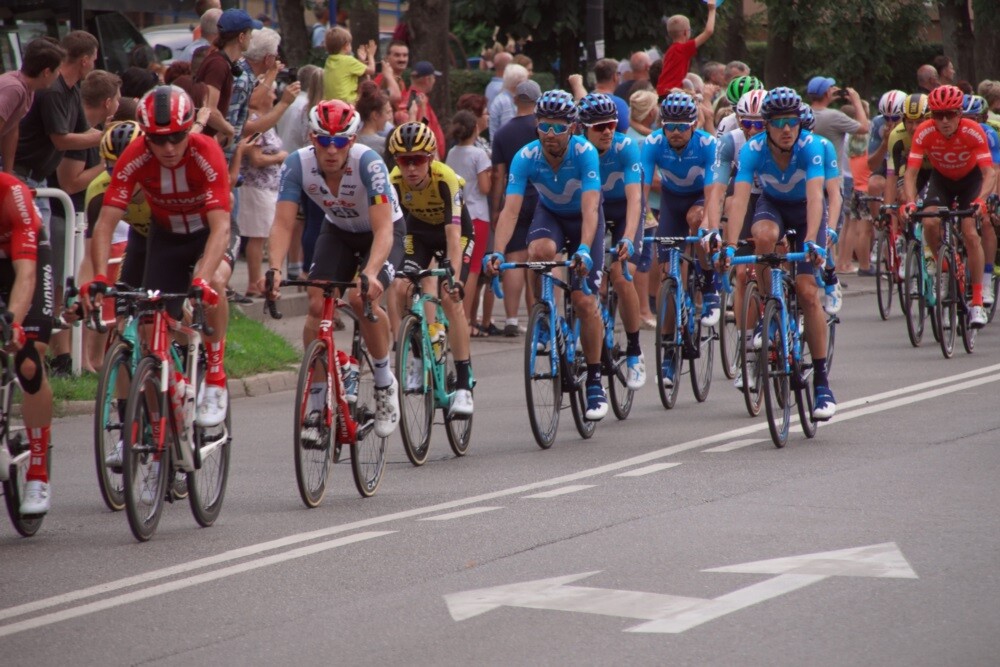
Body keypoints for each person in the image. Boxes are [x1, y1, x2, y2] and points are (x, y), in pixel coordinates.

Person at [85, 86, 233, 427]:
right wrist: (97, 277)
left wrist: (201, 279)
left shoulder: (206, 151)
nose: (167, 147)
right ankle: (156, 429)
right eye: (157, 139)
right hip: (165, 237)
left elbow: (221, 227)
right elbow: (105, 224)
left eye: (176, 137)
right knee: (150, 329)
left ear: (189, 129)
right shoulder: (135, 155)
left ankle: (215, 374)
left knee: (215, 283)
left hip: (208, 234)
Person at [264, 99, 403, 437]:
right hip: (338, 231)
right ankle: (316, 401)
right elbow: (283, 223)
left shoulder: (368, 164)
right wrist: (275, 268)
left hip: (382, 232)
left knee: (360, 298)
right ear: (311, 138)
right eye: (322, 140)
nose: (330, 149)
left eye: (339, 141)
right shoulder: (297, 165)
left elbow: (384, 229)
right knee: (316, 302)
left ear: (351, 141)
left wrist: (370, 272)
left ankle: (385, 382)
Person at [485, 89, 609, 421]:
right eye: (544, 126)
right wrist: (496, 252)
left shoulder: (585, 153)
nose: (550, 134)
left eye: (558, 127)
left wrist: (584, 247)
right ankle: (548, 314)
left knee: (584, 301)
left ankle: (595, 381)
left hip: (584, 220)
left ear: (572, 127)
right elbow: (510, 211)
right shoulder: (525, 157)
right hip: (551, 215)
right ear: (536, 125)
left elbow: (590, 208)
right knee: (539, 251)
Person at [718, 87, 836, 421]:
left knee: (808, 293)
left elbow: (816, 197)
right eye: (779, 122)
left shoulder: (811, 147)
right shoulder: (753, 150)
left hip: (804, 211)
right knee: (762, 235)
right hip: (773, 206)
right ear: (766, 125)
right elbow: (739, 200)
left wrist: (813, 240)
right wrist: (729, 246)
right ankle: (771, 310)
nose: (787, 129)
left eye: (792, 122)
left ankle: (822, 383)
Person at [387, 122, 475, 415]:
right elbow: (392, 231)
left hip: (455, 232)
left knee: (451, 297)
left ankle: (463, 385)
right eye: (404, 160)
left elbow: (453, 235)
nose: (411, 168)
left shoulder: (445, 178)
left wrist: (456, 278)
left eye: (418, 160)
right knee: (400, 285)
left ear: (431, 157)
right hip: (419, 234)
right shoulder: (394, 180)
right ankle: (415, 356)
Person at [641, 92, 722, 389]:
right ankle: (668, 354)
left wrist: (708, 225)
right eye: (669, 125)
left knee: (696, 224)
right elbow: (642, 186)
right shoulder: (652, 143)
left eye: (681, 126)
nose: (675, 132)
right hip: (671, 203)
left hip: (702, 197)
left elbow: (714, 190)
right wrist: (643, 217)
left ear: (693, 125)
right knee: (667, 282)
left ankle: (709, 283)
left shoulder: (707, 144)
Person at [901, 85, 993, 328]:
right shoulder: (924, 131)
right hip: (941, 180)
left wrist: (980, 200)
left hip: (970, 181)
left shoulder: (973, 132)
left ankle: (976, 303)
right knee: (929, 221)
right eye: (937, 115)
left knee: (970, 232)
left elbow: (989, 173)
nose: (943, 121)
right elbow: (911, 174)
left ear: (959, 114)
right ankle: (944, 269)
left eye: (950, 114)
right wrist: (910, 202)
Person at [576, 93, 646, 389]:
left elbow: (635, 199)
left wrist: (629, 238)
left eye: (612, 125)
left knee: (619, 275)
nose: (607, 131)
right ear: (583, 128)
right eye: (599, 126)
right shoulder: (576, 150)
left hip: (622, 212)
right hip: (593, 212)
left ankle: (634, 350)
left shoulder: (626, 146)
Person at [0, 174, 56, 515]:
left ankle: (38, 469)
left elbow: (27, 275)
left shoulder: (12, 193)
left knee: (29, 362)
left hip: (26, 260)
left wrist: (13, 325)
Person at [704, 88, 767, 389]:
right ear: (738, 120)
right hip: (747, 199)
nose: (753, 130)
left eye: (760, 124)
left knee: (779, 255)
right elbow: (716, 190)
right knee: (742, 273)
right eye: (747, 123)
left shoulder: (785, 139)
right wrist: (712, 229)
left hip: (777, 198)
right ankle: (748, 355)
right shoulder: (731, 140)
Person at [13, 31, 101, 233]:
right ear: (85, 61)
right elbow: (61, 140)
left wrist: (110, 133)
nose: (94, 65)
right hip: (22, 172)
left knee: (43, 243)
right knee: (34, 241)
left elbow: (84, 129)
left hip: (38, 177)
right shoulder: (53, 90)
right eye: (94, 60)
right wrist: (105, 139)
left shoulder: (73, 90)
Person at [489, 79, 541, 337]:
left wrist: (497, 207)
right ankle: (537, 314)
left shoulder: (502, 133)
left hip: (514, 197)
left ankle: (511, 318)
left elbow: (498, 174)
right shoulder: (541, 128)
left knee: (514, 257)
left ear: (514, 100)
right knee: (538, 256)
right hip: (541, 196)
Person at [446, 111, 492, 336]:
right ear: (475, 128)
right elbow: (485, 187)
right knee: (473, 269)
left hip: (457, 213)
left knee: (456, 265)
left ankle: (453, 316)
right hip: (478, 215)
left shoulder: (452, 153)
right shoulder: (479, 154)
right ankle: (464, 319)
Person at [238, 93, 287, 299]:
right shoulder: (255, 122)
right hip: (256, 186)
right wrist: (280, 157)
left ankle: (258, 281)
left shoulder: (264, 120)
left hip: (267, 186)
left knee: (262, 234)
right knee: (257, 236)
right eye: (271, 91)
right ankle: (253, 282)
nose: (274, 95)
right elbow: (256, 158)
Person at [195, 8, 262, 143]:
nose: (251, 37)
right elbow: (210, 110)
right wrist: (230, 130)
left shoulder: (222, 62)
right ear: (241, 37)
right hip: (202, 143)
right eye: (250, 33)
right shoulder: (218, 65)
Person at [0, 39, 65, 174]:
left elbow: (11, 130)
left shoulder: (27, 90)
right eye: (58, 70)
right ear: (47, 72)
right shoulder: (14, 89)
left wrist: (8, 172)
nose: (58, 75)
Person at [625, 89, 660, 328]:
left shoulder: (637, 134)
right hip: (646, 205)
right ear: (649, 112)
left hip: (646, 204)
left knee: (643, 256)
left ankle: (641, 309)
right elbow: (648, 179)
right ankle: (642, 310)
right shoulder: (639, 141)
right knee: (643, 257)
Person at [656, 2, 716, 97]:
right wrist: (712, 10)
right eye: (690, 30)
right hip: (672, 93)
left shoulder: (670, 50)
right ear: (685, 33)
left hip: (662, 91)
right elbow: (708, 31)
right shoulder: (683, 48)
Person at [567, 59, 630, 129]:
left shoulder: (585, 100)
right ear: (615, 76)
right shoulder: (619, 104)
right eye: (619, 74)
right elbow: (624, 132)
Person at [322, 26, 375, 104]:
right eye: (350, 44)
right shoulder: (348, 60)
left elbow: (348, 71)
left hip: (330, 103)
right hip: (348, 103)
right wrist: (371, 55)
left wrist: (361, 61)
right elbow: (371, 70)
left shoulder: (329, 60)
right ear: (346, 46)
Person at [408, 61, 446, 159]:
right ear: (427, 79)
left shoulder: (414, 97)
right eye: (433, 77)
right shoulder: (419, 101)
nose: (434, 80)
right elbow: (423, 128)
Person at [488, 63, 528, 141]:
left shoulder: (502, 98)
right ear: (517, 83)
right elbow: (510, 130)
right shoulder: (506, 102)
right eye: (525, 81)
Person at [374, 40, 410, 125]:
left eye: (405, 55)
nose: (402, 59)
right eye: (397, 55)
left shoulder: (399, 79)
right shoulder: (384, 79)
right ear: (387, 58)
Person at [355, 80, 391, 158]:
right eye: (387, 113)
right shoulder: (383, 144)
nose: (389, 117)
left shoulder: (352, 140)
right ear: (375, 115)